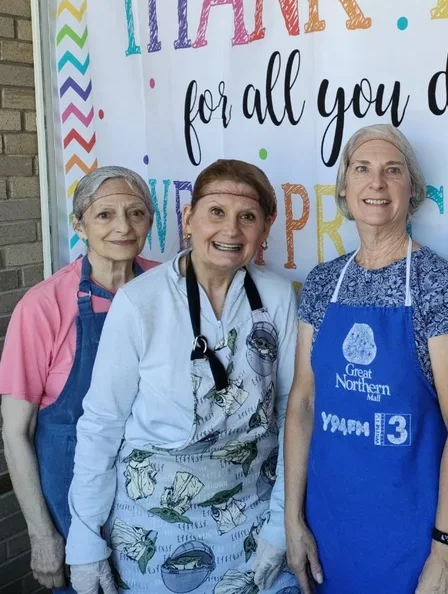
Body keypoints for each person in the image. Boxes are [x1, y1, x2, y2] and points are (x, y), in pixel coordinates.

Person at [64, 159, 300, 594]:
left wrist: (281, 524)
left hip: (252, 510)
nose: (230, 230)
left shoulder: (278, 296)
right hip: (154, 522)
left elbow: (291, 412)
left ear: (265, 230)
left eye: (247, 217)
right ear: (188, 219)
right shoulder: (140, 302)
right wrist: (84, 536)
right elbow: (101, 423)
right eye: (216, 213)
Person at [284, 124, 448, 594]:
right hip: (329, 529)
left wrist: (446, 551)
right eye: (362, 169)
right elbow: (303, 403)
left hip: (413, 535)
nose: (376, 183)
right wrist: (292, 518)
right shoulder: (322, 282)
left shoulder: (439, 284)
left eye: (392, 170)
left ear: (411, 190)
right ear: (344, 188)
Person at [0, 166, 158, 593]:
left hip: (154, 495)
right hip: (71, 498)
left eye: (137, 213)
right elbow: (16, 432)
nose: (123, 227)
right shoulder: (43, 307)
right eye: (105, 214)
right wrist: (41, 536)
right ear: (79, 225)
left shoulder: (167, 287)